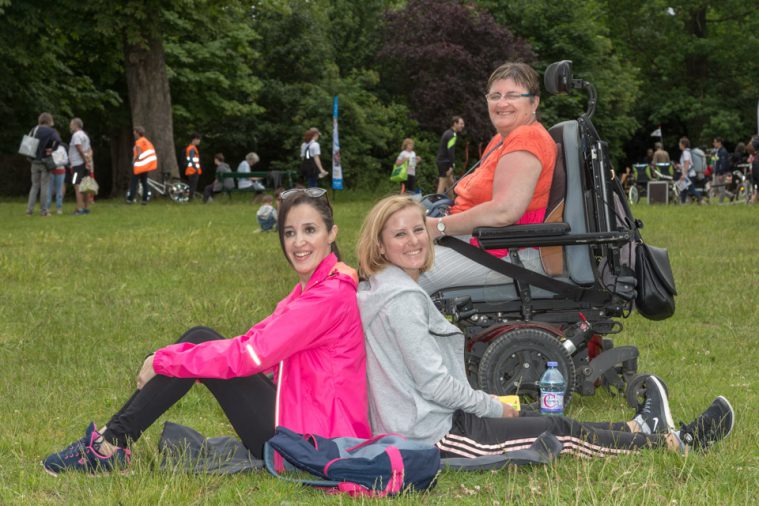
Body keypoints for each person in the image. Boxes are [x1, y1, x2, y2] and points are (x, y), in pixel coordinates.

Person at [356, 194, 735, 459]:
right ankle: (676, 444)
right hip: (436, 436)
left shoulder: (383, 286)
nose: (414, 241)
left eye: (418, 230)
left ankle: (640, 427)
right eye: (399, 234)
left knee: (549, 421)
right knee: (557, 435)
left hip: (430, 420)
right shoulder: (402, 299)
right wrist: (490, 406)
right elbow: (433, 384)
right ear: (380, 246)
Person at [42, 188, 370, 475]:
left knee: (198, 343)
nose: (298, 242)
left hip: (313, 444)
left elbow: (251, 354)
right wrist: (192, 364)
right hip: (300, 420)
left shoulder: (330, 295)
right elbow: (256, 341)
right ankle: (111, 441)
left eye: (309, 230)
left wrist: (164, 361)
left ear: (331, 233)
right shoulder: (314, 288)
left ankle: (108, 445)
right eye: (289, 232)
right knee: (200, 339)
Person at [420, 63, 557, 295]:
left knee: (401, 275)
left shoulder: (527, 137)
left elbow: (504, 211)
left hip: (507, 250)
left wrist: (439, 227)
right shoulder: (501, 139)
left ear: (534, 102)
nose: (501, 103)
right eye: (495, 96)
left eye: (512, 95)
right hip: (480, 238)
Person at [26, 112, 62, 217]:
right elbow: (58, 140)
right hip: (45, 161)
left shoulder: (34, 129)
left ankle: (29, 210)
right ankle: (44, 211)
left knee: (34, 186)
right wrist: (52, 149)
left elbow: (28, 143)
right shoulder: (51, 131)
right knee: (44, 186)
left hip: (34, 161)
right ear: (49, 120)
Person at [126, 126, 157, 205]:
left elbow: (139, 153)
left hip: (139, 165)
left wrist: (134, 161)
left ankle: (130, 199)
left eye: (134, 132)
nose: (134, 134)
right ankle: (144, 199)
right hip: (145, 166)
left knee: (134, 182)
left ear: (137, 133)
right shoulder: (146, 141)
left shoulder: (139, 141)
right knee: (144, 182)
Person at [69, 118, 93, 216]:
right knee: (86, 185)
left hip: (77, 164)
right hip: (85, 164)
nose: (70, 126)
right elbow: (90, 150)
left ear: (75, 125)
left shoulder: (76, 135)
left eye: (71, 124)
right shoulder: (85, 136)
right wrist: (88, 160)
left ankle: (79, 209)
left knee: (77, 185)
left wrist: (84, 160)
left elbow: (79, 148)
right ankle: (86, 208)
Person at [435, 116, 465, 194]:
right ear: (455, 123)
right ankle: (436, 203)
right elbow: (450, 151)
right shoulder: (452, 135)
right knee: (442, 183)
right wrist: (452, 165)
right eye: (461, 124)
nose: (463, 126)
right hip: (444, 162)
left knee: (450, 184)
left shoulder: (448, 132)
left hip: (443, 161)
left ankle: (451, 203)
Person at [677, 137, 701, 204]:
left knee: (691, 189)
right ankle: (682, 202)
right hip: (689, 174)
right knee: (683, 189)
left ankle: (701, 199)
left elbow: (687, 163)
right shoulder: (687, 152)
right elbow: (686, 164)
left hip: (688, 175)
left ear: (683, 144)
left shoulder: (685, 152)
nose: (679, 144)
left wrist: (684, 175)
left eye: (680, 143)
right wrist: (680, 166)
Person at [713, 137, 732, 203]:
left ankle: (720, 203)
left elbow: (723, 163)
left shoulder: (723, 151)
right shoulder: (717, 151)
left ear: (719, 143)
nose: (713, 144)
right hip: (717, 172)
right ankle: (730, 196)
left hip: (721, 173)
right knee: (715, 188)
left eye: (715, 142)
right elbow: (716, 161)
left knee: (721, 189)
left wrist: (721, 174)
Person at [184, 133, 202, 201]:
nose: (199, 141)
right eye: (198, 139)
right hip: (193, 170)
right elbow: (191, 160)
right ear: (194, 139)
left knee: (191, 186)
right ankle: (190, 200)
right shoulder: (192, 149)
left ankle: (190, 199)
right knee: (192, 186)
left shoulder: (190, 148)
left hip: (191, 170)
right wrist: (196, 168)